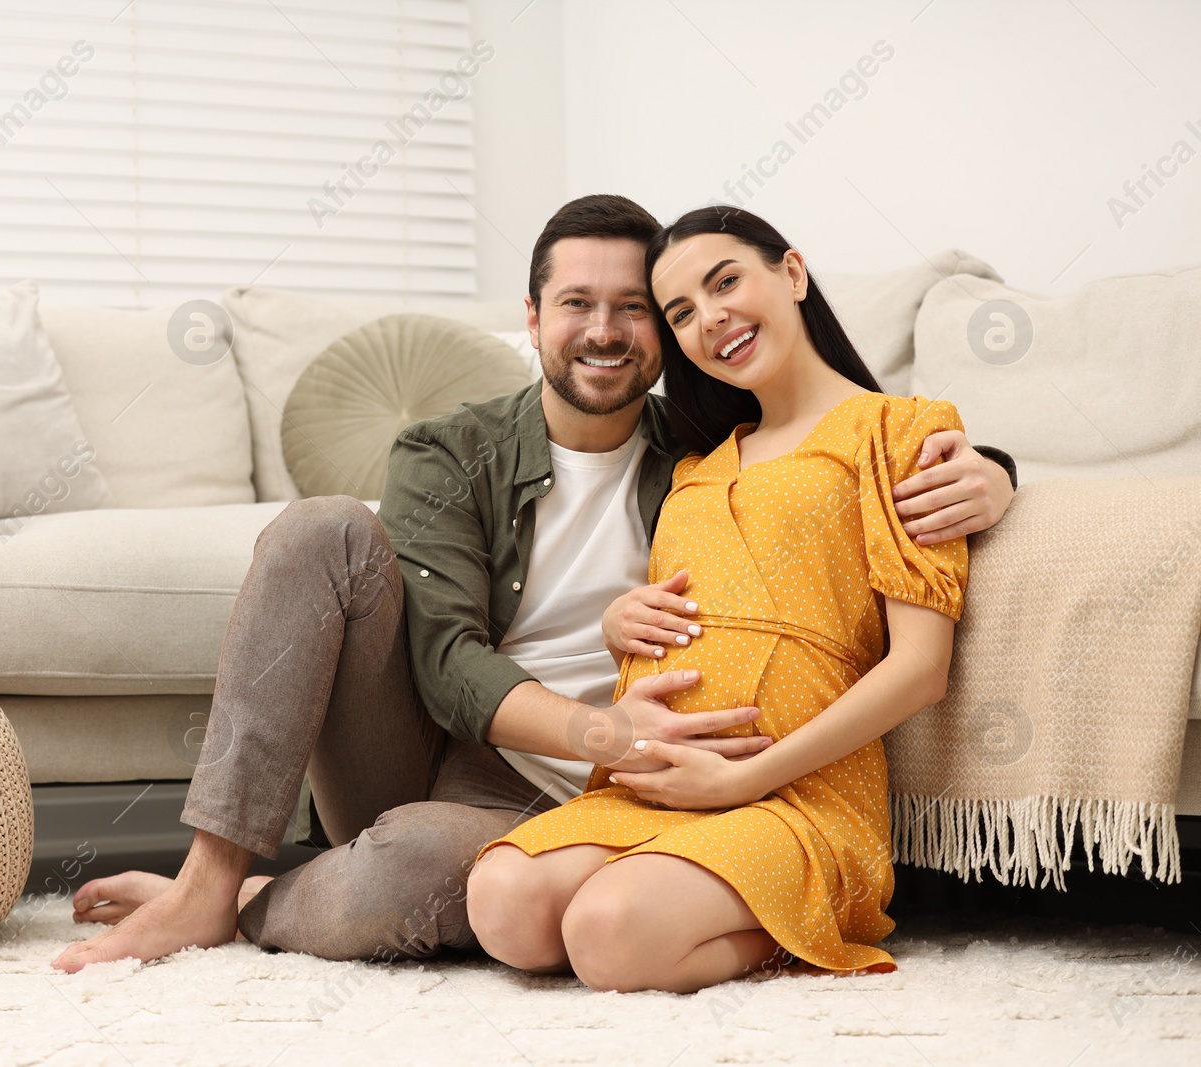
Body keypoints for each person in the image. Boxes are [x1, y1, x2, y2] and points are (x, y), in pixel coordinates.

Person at [50, 195, 1016, 972]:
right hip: (461, 748)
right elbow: (443, 660)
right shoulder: (450, 450)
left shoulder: (701, 445)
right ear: (532, 318)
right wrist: (608, 726)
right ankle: (212, 880)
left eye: (639, 308)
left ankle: (273, 899)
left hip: (591, 799)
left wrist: (996, 469)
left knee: (436, 873)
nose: (607, 330)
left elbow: (840, 452)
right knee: (323, 528)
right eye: (577, 304)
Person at [466, 205, 971, 994]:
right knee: (501, 901)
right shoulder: (696, 465)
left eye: (725, 281)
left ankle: (798, 924)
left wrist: (742, 779)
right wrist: (615, 626)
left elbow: (921, 668)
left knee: (608, 935)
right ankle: (676, 895)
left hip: (799, 798)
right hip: (657, 785)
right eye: (681, 313)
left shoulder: (901, 432)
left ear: (793, 273)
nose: (711, 319)